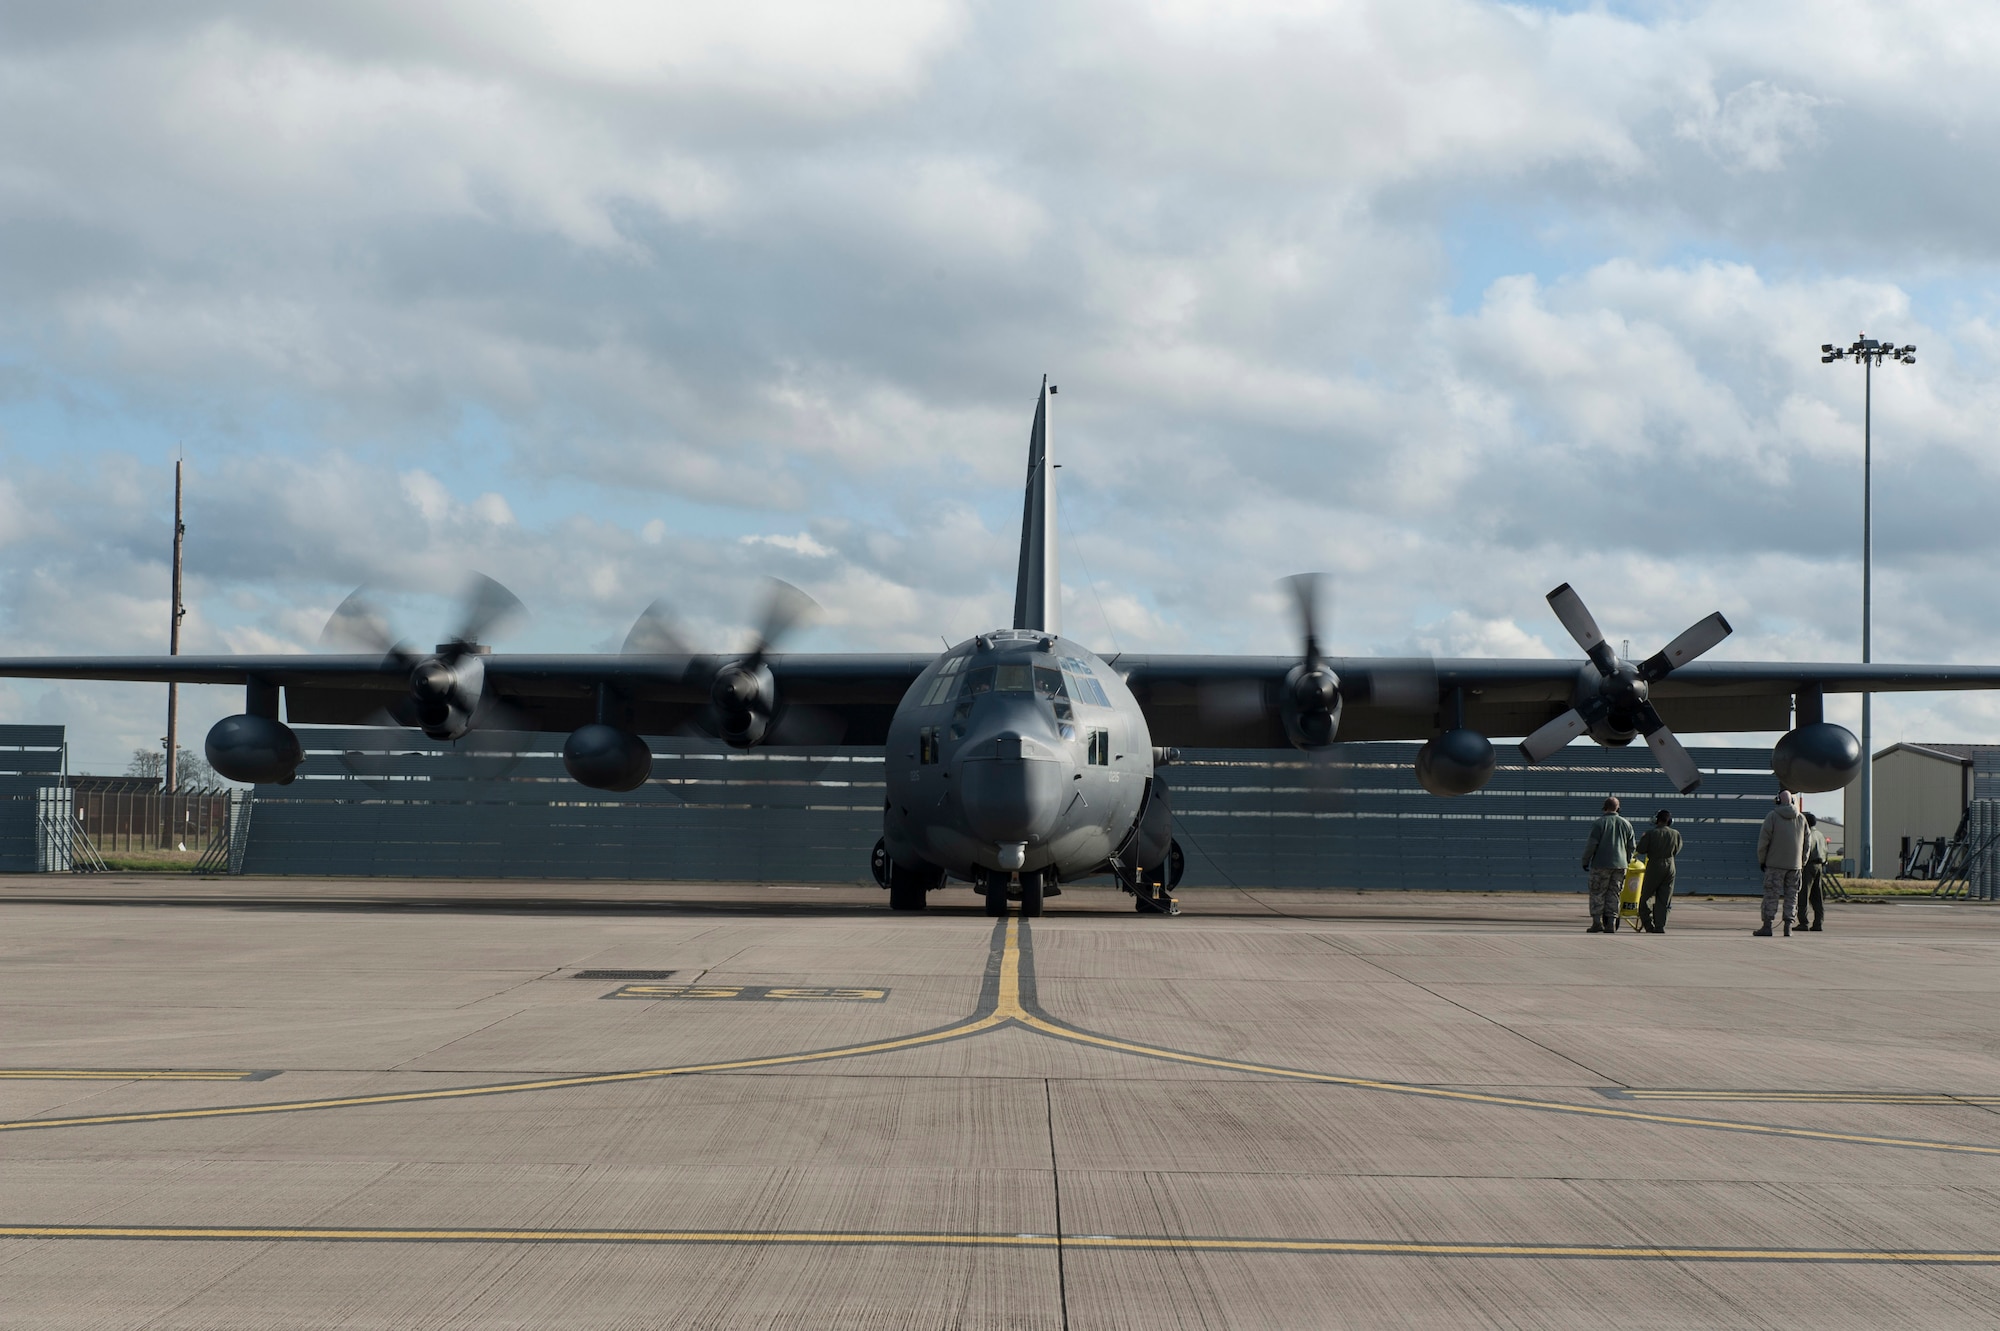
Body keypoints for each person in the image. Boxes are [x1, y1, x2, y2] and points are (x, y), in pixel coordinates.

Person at [1754, 790, 1807, 937]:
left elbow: (1764, 841)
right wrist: (1802, 862)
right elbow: (1807, 844)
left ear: (1778, 800)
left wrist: (1762, 860)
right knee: (1792, 896)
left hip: (1775, 864)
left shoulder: (1772, 817)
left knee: (1771, 895)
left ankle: (1767, 926)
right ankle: (1788, 927)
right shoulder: (1802, 819)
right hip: (1794, 866)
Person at [1580, 796, 1635, 934]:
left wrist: (1585, 861)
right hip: (1620, 865)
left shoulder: (1599, 824)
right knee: (1614, 893)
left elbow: (1591, 845)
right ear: (1618, 808)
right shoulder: (1627, 824)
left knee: (1597, 892)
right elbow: (1631, 847)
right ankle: (1611, 923)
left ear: (1604, 808)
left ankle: (1597, 923)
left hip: (1601, 864)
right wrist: (1626, 861)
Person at [1635, 809, 1682, 934]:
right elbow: (1677, 850)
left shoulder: (1651, 833)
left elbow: (1641, 849)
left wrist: (1643, 838)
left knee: (1646, 896)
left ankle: (1648, 924)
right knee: (1664, 898)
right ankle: (1660, 926)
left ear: (1657, 820)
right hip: (1670, 866)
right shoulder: (1676, 833)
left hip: (1655, 865)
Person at [1799, 812, 1828, 932]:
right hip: (1820, 865)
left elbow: (1806, 850)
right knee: (1817, 896)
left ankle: (1803, 922)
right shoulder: (1820, 835)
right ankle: (1818, 922)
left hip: (1808, 865)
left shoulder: (1807, 834)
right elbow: (1826, 850)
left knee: (1803, 894)